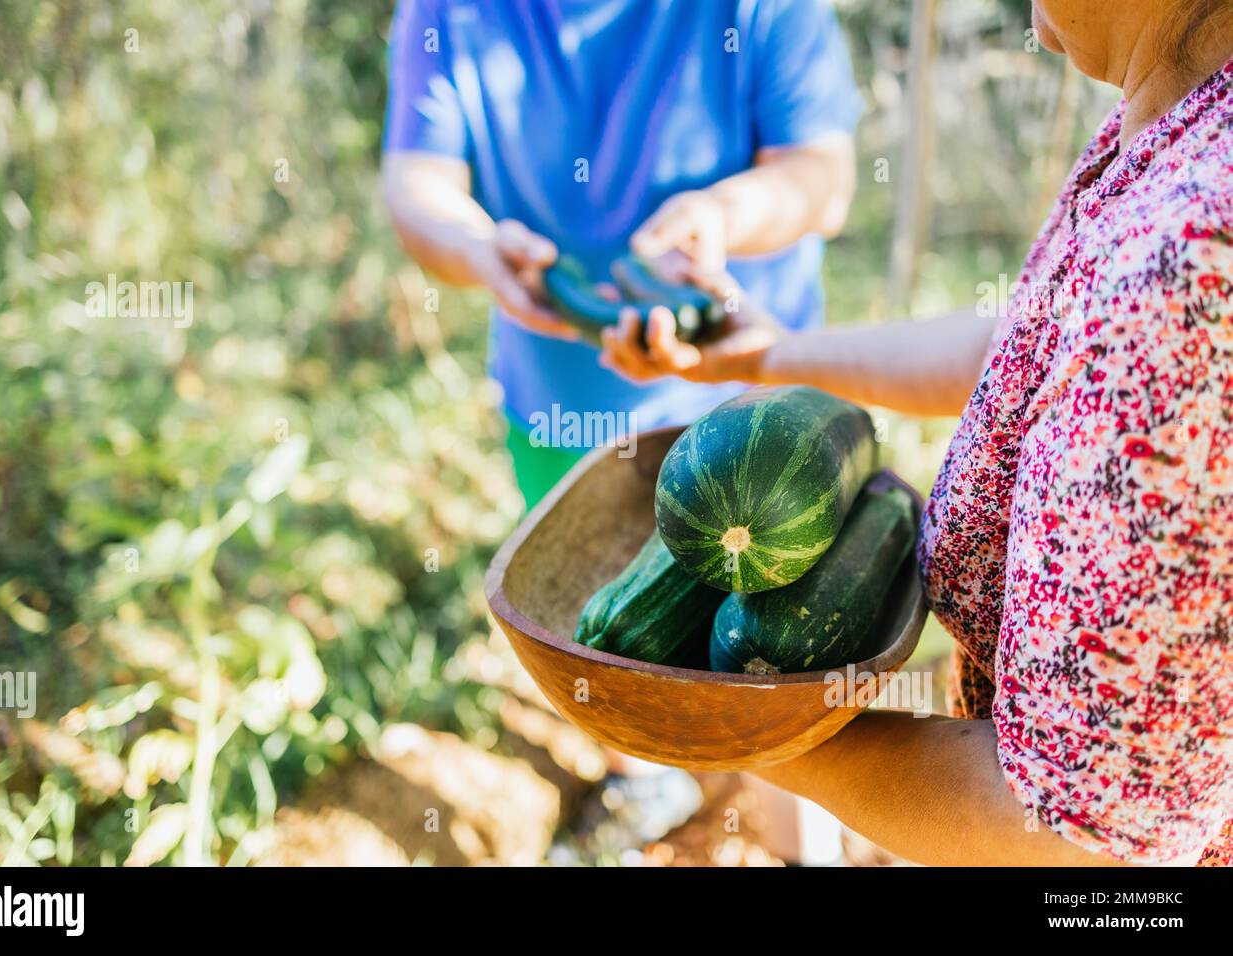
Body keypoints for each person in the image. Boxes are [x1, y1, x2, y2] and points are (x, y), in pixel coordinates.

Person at [602, 0, 1233, 865]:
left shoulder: (1195, 253)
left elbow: (1075, 847)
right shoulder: (1180, 109)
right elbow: (1025, 346)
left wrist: (727, 720)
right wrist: (772, 354)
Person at [382, 0, 861, 509]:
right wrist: (475, 249)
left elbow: (822, 176)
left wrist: (722, 216)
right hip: (561, 415)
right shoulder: (445, 10)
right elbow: (417, 181)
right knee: (573, 584)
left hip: (756, 413)